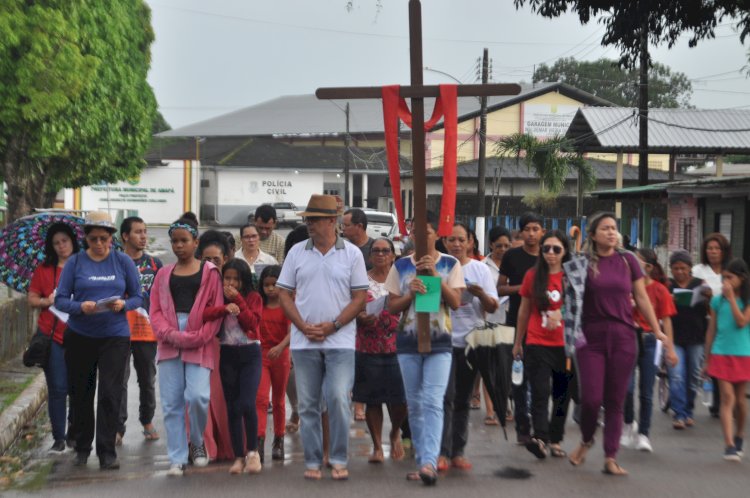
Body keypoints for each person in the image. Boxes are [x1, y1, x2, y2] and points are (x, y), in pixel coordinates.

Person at [564, 212, 675, 476]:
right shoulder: (581, 263)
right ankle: (587, 439)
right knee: (590, 399)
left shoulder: (628, 261)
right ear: (592, 235)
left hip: (624, 336)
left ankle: (610, 456)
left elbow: (642, 297)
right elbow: (569, 301)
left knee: (616, 400)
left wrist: (657, 330)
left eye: (614, 228)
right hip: (590, 338)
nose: (611, 233)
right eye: (605, 229)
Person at [277, 194, 368, 481]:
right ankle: (314, 460)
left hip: (339, 341)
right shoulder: (296, 253)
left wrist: (334, 325)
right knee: (308, 404)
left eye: (314, 220)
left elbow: (360, 297)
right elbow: (283, 294)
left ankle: (339, 458)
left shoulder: (352, 254)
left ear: (333, 221)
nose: (309, 225)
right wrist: (302, 326)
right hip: (305, 342)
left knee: (339, 398)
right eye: (308, 220)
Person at [55, 211, 143, 470]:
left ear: (111, 238)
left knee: (110, 394)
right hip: (81, 335)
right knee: (82, 393)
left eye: (104, 238)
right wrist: (80, 306)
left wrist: (123, 304)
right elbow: (61, 300)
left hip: (114, 336)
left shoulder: (123, 261)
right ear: (86, 238)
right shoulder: (75, 263)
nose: (99, 244)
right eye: (93, 239)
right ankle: (83, 447)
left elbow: (139, 297)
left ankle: (107, 451)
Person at [386, 212, 464, 486]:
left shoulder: (451, 264)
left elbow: (456, 302)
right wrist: (410, 293)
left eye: (426, 231)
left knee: (432, 400)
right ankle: (423, 461)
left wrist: (435, 277)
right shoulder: (401, 266)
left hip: (440, 342)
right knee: (415, 403)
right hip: (407, 342)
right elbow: (391, 306)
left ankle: (430, 461)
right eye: (414, 231)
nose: (419, 236)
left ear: (437, 234)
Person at [150, 215, 224, 477]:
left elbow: (215, 310)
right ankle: (177, 457)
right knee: (171, 402)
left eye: (184, 241)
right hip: (169, 340)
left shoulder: (210, 273)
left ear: (196, 242)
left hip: (199, 339)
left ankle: (197, 441)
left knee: (198, 396)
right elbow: (155, 310)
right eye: (174, 242)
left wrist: (199, 336)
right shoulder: (163, 274)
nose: (178, 246)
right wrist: (169, 333)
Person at [439, 223, 498, 471]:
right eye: (452, 239)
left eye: (462, 239)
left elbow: (493, 306)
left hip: (471, 342)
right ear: (444, 242)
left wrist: (479, 293)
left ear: (471, 242)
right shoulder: (438, 267)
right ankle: (440, 452)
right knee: (444, 399)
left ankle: (458, 452)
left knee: (462, 399)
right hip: (442, 341)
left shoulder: (480, 270)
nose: (457, 244)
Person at [512, 230, 573, 460]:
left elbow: (582, 308)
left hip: (565, 344)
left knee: (562, 394)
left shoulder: (571, 277)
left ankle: (556, 440)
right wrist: (518, 342)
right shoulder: (532, 275)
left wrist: (563, 311)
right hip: (537, 342)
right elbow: (524, 309)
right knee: (540, 391)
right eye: (546, 248)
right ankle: (540, 438)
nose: (550, 253)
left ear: (565, 251)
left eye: (556, 249)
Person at [203, 259, 263, 474]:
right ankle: (238, 456)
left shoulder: (253, 297)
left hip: (250, 353)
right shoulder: (218, 296)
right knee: (232, 407)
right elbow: (205, 314)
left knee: (247, 402)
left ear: (243, 280)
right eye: (227, 278)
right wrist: (224, 308)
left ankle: (253, 452)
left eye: (235, 279)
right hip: (227, 353)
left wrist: (238, 302)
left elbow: (252, 323)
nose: (230, 283)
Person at [353, 238, 407, 464]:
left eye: (386, 251)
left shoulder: (403, 280)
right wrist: (359, 317)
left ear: (393, 255)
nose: (381, 254)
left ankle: (395, 432)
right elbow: (351, 307)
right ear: (369, 255)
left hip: (399, 346)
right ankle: (377, 445)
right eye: (376, 250)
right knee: (372, 399)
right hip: (368, 346)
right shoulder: (361, 281)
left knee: (399, 399)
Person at [28, 222, 79, 453]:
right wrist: (46, 301)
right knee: (58, 388)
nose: (61, 246)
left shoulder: (84, 266)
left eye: (64, 241)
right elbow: (32, 300)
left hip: (81, 335)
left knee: (79, 387)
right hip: (52, 336)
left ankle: (75, 432)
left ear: (73, 241)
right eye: (56, 243)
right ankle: (59, 436)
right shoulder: (44, 269)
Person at [621, 248, 677, 452]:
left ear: (649, 267)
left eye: (637, 262)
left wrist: (670, 348)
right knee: (626, 389)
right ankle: (628, 423)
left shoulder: (660, 290)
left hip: (652, 341)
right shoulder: (623, 287)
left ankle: (644, 433)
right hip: (627, 339)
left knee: (646, 391)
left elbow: (667, 321)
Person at [117, 216, 163, 445]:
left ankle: (147, 421)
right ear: (125, 236)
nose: (143, 236)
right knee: (119, 379)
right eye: (138, 232)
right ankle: (118, 427)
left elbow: (163, 297)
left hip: (146, 330)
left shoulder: (155, 265)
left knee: (147, 379)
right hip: (118, 330)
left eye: (145, 231)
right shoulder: (114, 262)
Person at [499, 212, 543, 445]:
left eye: (536, 229)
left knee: (540, 380)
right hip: (516, 323)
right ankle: (522, 426)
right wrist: (524, 289)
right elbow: (500, 288)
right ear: (521, 232)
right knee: (518, 378)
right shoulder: (512, 257)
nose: (532, 233)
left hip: (545, 327)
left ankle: (540, 426)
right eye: (527, 229)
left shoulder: (550, 255)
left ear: (542, 232)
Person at [704, 258, 750, 461]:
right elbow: (711, 330)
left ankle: (740, 435)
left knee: (740, 401)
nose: (726, 282)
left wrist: (731, 298)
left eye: (730, 278)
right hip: (720, 352)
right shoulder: (716, 301)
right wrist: (706, 359)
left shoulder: (746, 300)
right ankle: (729, 444)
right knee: (727, 398)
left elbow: (741, 322)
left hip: (742, 353)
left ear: (742, 278)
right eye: (724, 278)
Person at [196, 231, 234, 463]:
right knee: (201, 399)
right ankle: (205, 446)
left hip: (227, 348)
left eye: (216, 260)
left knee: (222, 400)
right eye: (206, 260)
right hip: (201, 345)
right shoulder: (193, 281)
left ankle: (227, 447)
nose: (210, 265)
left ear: (226, 259)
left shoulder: (232, 282)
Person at [692, 233, 732, 417]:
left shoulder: (730, 271)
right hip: (703, 319)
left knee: (727, 358)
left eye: (717, 248)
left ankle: (726, 399)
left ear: (724, 251)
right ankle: (716, 399)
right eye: (710, 248)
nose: (713, 252)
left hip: (727, 321)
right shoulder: (698, 270)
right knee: (712, 357)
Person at [667, 250, 708, 429]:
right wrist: (668, 300)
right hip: (673, 337)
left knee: (693, 377)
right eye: (676, 268)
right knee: (676, 376)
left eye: (683, 268)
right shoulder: (667, 286)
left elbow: (710, 308)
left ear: (690, 268)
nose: (680, 272)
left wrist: (708, 296)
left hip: (696, 337)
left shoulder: (700, 285)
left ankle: (689, 409)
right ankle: (679, 414)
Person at [255, 265, 291, 462]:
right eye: (266, 285)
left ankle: (279, 439)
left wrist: (280, 347)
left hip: (281, 356)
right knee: (260, 399)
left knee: (278, 400)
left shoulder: (287, 305)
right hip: (261, 355)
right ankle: (259, 441)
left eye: (274, 284)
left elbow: (292, 331)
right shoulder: (259, 305)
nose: (270, 289)